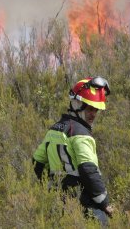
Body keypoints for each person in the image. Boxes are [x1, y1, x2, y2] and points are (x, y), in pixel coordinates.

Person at [32, 76, 115, 224]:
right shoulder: (81, 135)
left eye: (96, 109)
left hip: (58, 205)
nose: (93, 114)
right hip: (83, 205)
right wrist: (105, 204)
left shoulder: (54, 130)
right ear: (77, 104)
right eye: (90, 108)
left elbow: (37, 163)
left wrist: (51, 187)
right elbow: (88, 170)